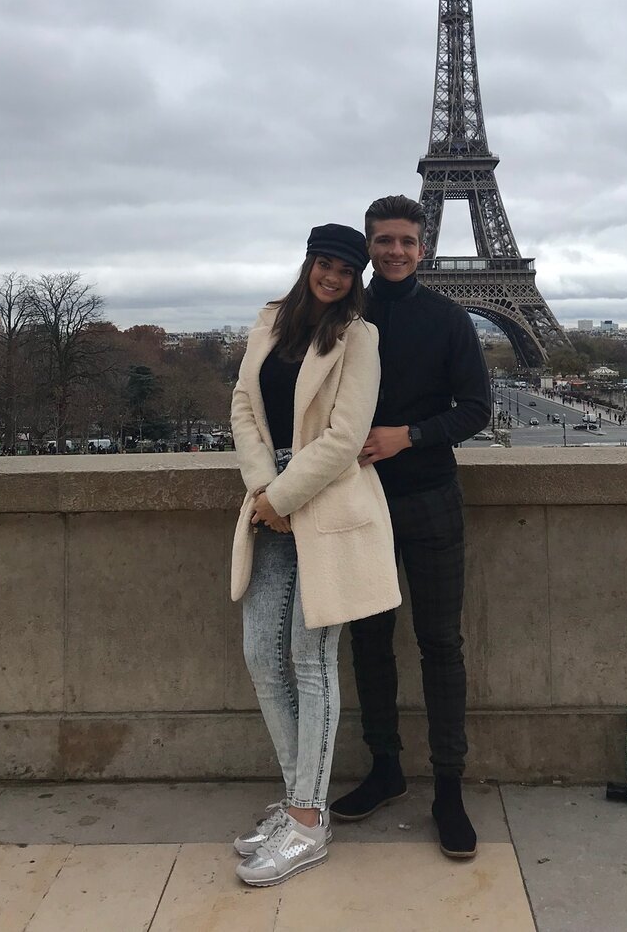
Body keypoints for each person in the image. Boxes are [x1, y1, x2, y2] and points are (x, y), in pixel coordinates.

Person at [229, 224, 401, 888]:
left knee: (310, 657)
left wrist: (282, 495)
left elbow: (345, 437)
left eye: (345, 269)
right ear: (308, 263)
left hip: (322, 501)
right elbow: (244, 406)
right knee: (260, 654)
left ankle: (306, 820)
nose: (332, 276)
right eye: (324, 263)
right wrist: (262, 489)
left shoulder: (358, 337)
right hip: (268, 498)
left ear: (356, 278)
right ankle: (301, 798)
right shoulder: (270, 320)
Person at [330, 194, 491, 860]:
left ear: (422, 247)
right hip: (359, 500)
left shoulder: (448, 318)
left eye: (406, 241)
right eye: (384, 240)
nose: (395, 250)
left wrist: (409, 435)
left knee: (439, 643)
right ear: (369, 246)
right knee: (369, 642)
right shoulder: (343, 315)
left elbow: (477, 408)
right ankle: (387, 767)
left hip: (428, 496)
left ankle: (448, 787)